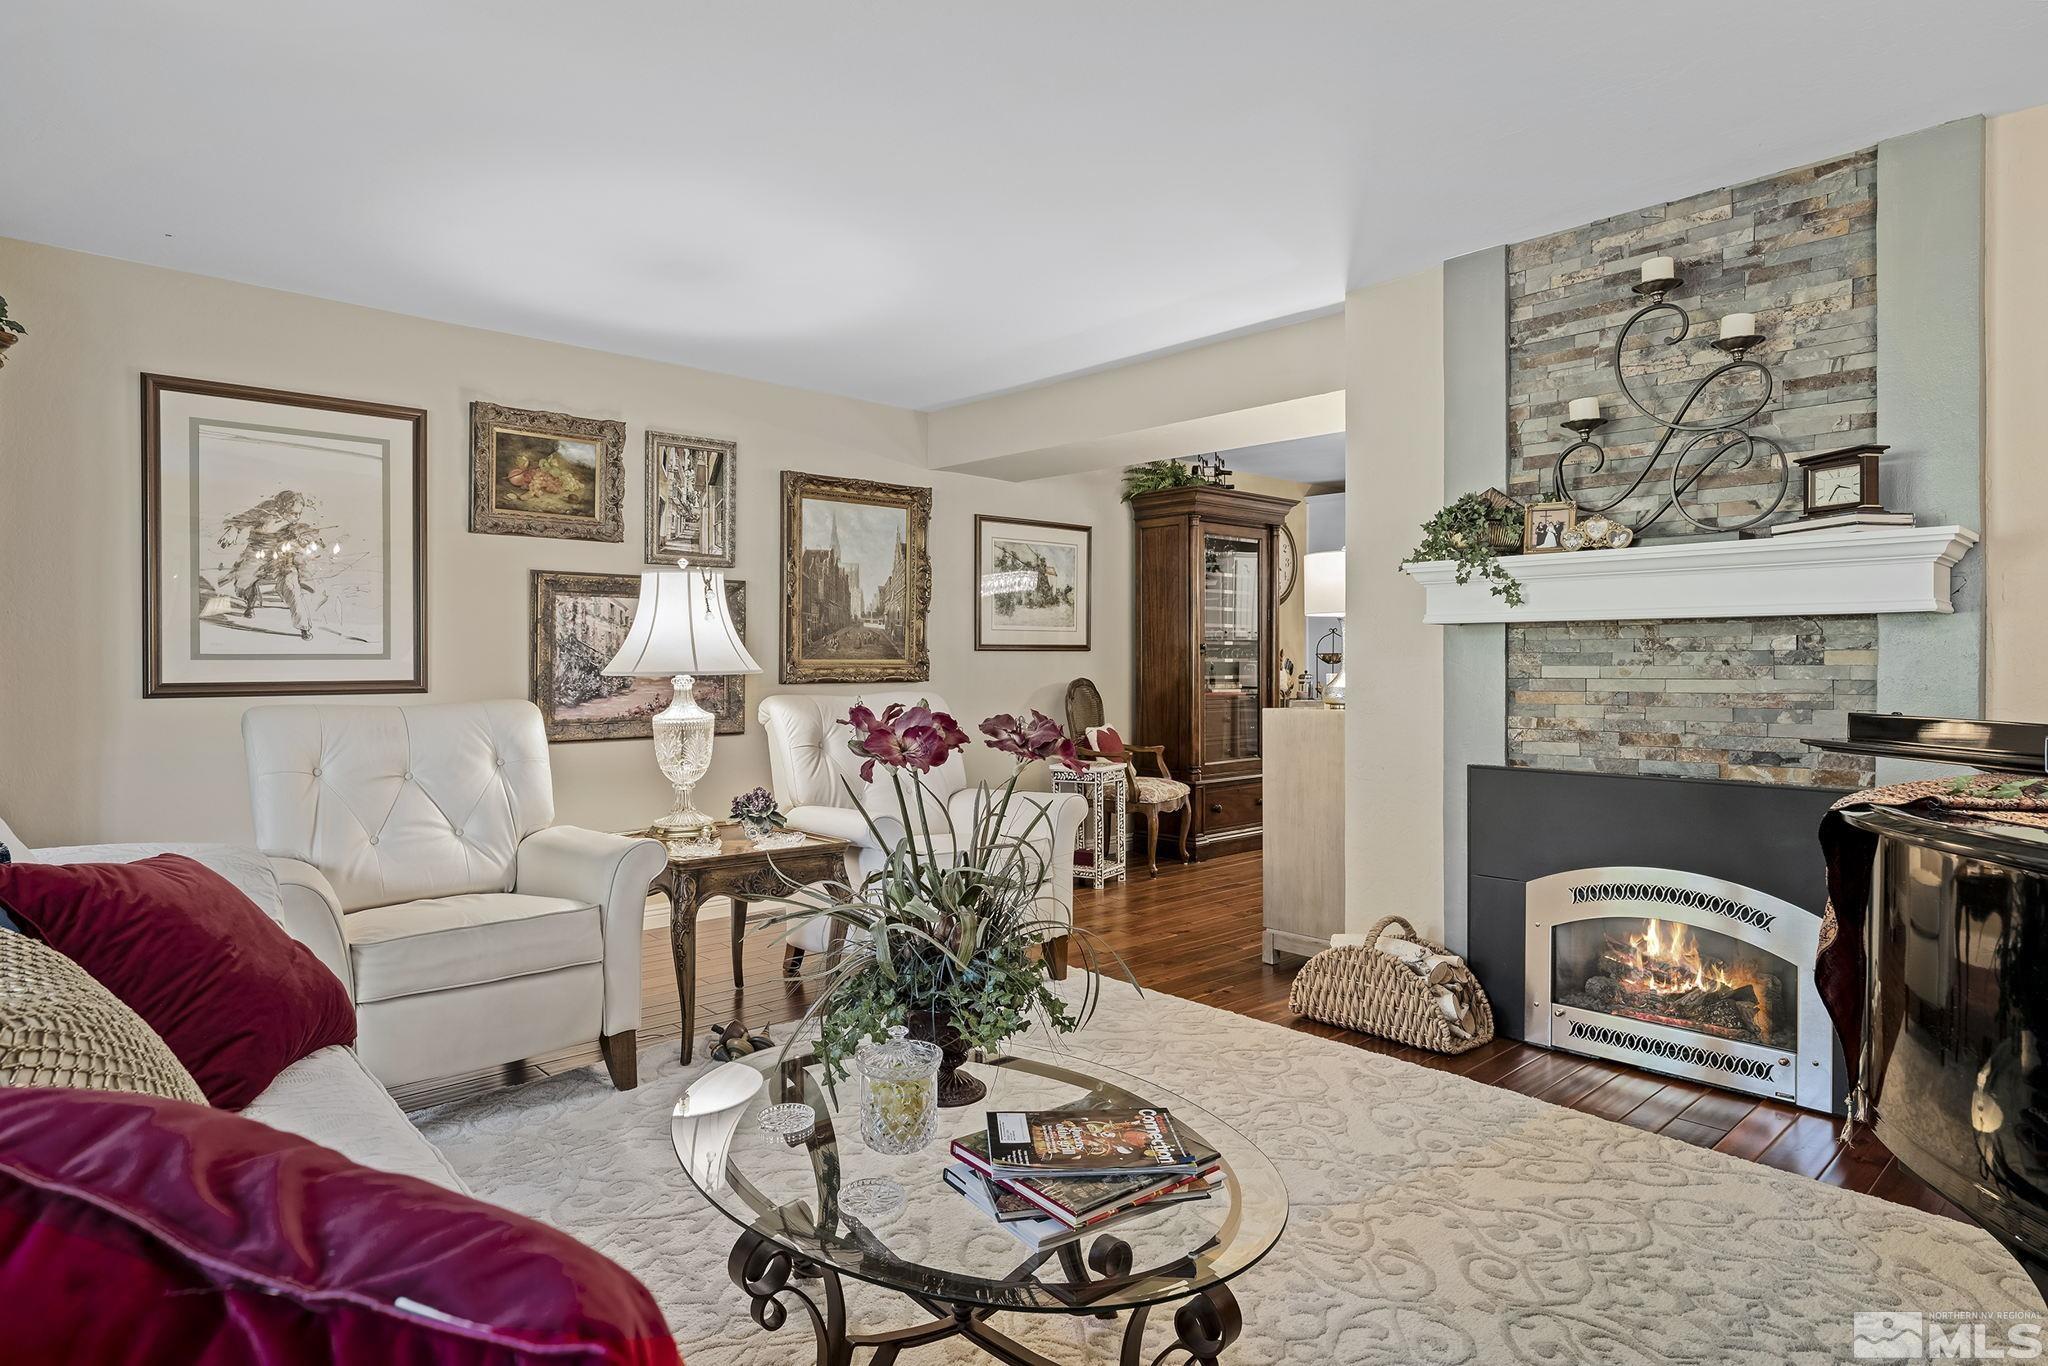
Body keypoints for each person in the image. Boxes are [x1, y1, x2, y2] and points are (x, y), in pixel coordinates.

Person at [216, 490, 325, 639]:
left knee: (291, 585)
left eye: (299, 513)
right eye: (294, 513)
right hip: (257, 552)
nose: (297, 517)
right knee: (243, 580)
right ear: (283, 508)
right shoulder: (264, 512)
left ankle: (303, 627)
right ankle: (250, 600)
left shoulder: (294, 523)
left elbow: (308, 533)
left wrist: (309, 540)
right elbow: (239, 521)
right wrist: (232, 531)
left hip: (282, 557)